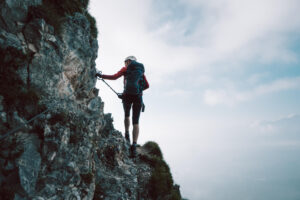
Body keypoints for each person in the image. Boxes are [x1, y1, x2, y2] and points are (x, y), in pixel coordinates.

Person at [96, 56, 149, 157]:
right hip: (138, 98)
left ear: (128, 61)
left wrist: (101, 76)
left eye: (125, 62)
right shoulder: (141, 71)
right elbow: (147, 85)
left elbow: (114, 77)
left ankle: (127, 133)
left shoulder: (125, 69)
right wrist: (139, 92)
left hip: (127, 96)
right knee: (136, 121)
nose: (125, 64)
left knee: (127, 115)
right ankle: (134, 145)